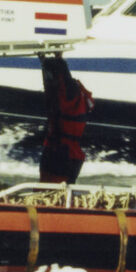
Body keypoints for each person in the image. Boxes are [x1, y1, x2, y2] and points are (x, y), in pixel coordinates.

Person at [38, 54, 93, 185]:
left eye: (51, 77)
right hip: (57, 152)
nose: (48, 81)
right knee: (45, 188)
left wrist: (59, 59)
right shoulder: (62, 93)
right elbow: (51, 83)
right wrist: (43, 60)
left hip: (64, 155)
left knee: (55, 191)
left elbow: (64, 78)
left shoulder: (70, 94)